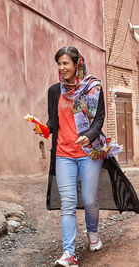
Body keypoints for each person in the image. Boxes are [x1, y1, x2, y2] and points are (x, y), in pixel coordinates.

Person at [44, 46, 117, 266]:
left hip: (89, 153)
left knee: (89, 199)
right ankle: (69, 253)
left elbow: (99, 118)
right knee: (68, 203)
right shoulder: (54, 91)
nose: (62, 67)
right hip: (64, 153)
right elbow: (52, 122)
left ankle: (93, 232)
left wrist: (90, 135)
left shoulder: (92, 88)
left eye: (66, 63)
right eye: (59, 63)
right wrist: (44, 128)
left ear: (77, 64)